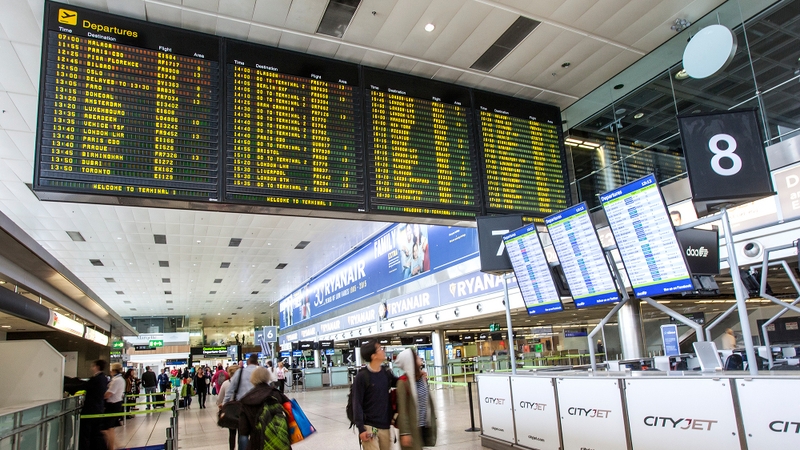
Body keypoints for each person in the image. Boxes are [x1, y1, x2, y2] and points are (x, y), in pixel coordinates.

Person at [353, 339, 398, 450]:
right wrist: (361, 428)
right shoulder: (362, 377)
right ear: (374, 356)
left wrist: (416, 375)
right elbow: (357, 402)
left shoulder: (385, 373)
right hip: (369, 426)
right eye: (380, 349)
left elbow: (399, 382)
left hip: (385, 426)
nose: (383, 350)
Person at [239, 367, 291, 450]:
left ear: (253, 378)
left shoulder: (246, 399)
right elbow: (290, 412)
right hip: (280, 442)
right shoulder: (277, 394)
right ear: (267, 377)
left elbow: (243, 430)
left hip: (257, 444)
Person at [394, 348, 437, 450]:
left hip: (423, 426)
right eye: (416, 356)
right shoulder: (403, 382)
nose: (419, 357)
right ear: (411, 361)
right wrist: (405, 433)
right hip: (411, 429)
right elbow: (403, 410)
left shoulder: (421, 378)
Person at [224, 354, 262, 449]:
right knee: (257, 430)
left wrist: (225, 404)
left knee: (243, 432)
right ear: (257, 362)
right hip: (258, 405)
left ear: (248, 362)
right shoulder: (261, 372)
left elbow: (230, 389)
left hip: (242, 406)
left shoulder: (240, 372)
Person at [79, 359, 108, 450]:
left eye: (93, 366)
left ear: (97, 367)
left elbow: (84, 386)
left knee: (87, 434)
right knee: (96, 433)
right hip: (98, 409)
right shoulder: (104, 378)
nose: (92, 368)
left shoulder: (96, 379)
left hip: (90, 410)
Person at [102, 363, 125, 450]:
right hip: (116, 404)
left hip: (113, 405)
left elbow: (108, 394)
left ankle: (112, 446)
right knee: (109, 428)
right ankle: (115, 445)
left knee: (106, 428)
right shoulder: (119, 379)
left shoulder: (116, 380)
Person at [218, 365, 241, 450]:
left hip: (230, 411)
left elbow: (219, 399)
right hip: (242, 410)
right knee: (242, 432)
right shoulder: (244, 384)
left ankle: (232, 448)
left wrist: (221, 405)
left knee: (232, 433)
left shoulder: (225, 384)